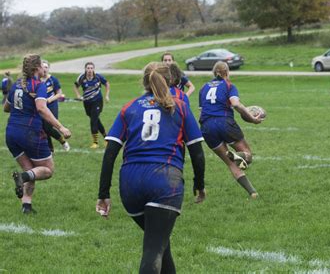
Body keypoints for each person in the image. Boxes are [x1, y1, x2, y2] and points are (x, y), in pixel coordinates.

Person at [96, 62, 206, 273]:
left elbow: (110, 154)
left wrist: (103, 193)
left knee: (161, 245)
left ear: (145, 81)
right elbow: (197, 153)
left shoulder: (129, 107)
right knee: (154, 249)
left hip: (130, 183)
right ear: (172, 81)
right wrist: (199, 184)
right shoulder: (180, 107)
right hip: (164, 180)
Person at [5, 54, 71, 214]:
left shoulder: (17, 85)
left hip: (11, 133)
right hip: (30, 133)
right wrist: (61, 128)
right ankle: (22, 178)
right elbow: (41, 108)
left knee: (31, 171)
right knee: (47, 170)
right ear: (36, 68)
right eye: (42, 65)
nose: (44, 68)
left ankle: (26, 206)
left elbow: (6, 108)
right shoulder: (38, 85)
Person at [199, 61, 263, 198]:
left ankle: (253, 192)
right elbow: (236, 104)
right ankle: (238, 155)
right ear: (227, 73)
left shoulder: (203, 88)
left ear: (214, 73)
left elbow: (201, 111)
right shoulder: (229, 85)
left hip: (206, 127)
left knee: (230, 163)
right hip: (224, 122)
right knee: (247, 154)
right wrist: (251, 118)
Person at [73, 62, 110, 148]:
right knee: (96, 120)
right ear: (85, 69)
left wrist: (107, 95)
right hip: (87, 102)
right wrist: (78, 95)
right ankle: (107, 138)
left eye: (91, 68)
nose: (89, 70)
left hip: (97, 101)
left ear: (94, 69)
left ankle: (95, 142)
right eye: (88, 68)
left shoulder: (98, 77)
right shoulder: (81, 77)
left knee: (93, 120)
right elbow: (75, 86)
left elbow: (107, 84)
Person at [41, 60, 70, 152]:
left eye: (46, 67)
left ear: (48, 68)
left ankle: (62, 141)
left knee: (48, 127)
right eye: (42, 67)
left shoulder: (53, 80)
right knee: (43, 128)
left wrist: (49, 100)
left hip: (52, 105)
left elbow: (59, 94)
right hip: (41, 107)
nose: (44, 69)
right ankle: (50, 149)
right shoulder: (37, 80)